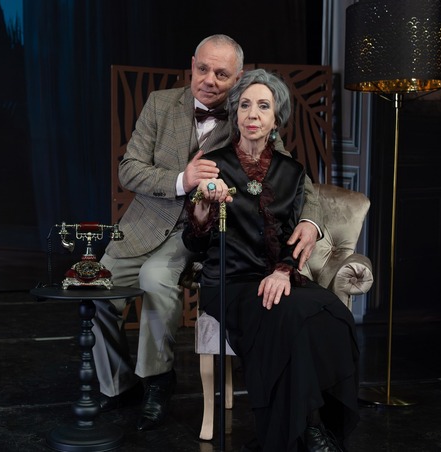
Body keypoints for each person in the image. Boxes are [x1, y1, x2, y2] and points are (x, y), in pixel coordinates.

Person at [92, 34, 323, 432]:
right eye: (203, 69)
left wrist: (311, 221)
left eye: (222, 74)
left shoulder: (248, 111)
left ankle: (157, 381)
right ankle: (117, 385)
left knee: (154, 279)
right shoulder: (160, 104)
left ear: (238, 78)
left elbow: (297, 177)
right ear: (192, 66)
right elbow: (128, 170)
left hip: (200, 230)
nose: (210, 80)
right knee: (96, 291)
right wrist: (182, 179)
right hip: (144, 222)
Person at [182, 68, 360, 451]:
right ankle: (307, 431)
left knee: (331, 312)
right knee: (289, 316)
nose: (253, 114)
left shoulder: (291, 172)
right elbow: (194, 244)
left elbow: (295, 236)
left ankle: (314, 422)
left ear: (276, 119)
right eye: (245, 105)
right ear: (235, 114)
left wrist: (283, 271)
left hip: (278, 276)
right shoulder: (213, 164)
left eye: (263, 106)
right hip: (229, 282)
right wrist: (201, 212)